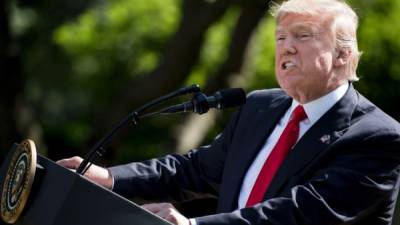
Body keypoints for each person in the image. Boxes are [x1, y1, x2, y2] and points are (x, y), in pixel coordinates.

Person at [57, 0, 400, 224]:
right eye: (280, 37)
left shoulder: (376, 137)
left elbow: (299, 214)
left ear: (343, 55)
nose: (286, 46)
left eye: (303, 35)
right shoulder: (261, 107)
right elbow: (195, 170)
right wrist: (110, 177)